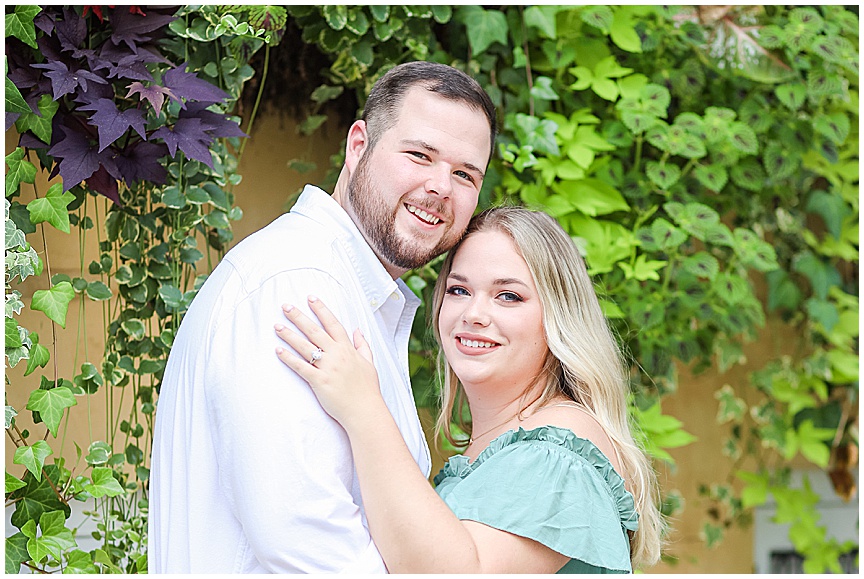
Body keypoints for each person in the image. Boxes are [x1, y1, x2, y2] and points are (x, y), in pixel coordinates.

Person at [148, 61, 497, 573]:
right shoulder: (297, 283)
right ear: (359, 147)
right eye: (420, 155)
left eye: (465, 174)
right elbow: (304, 539)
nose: (441, 187)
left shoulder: (352, 290)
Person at [274, 206, 665, 573]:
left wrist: (363, 408)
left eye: (508, 296)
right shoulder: (501, 449)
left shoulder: (559, 449)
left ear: (558, 317)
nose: (473, 314)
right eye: (459, 290)